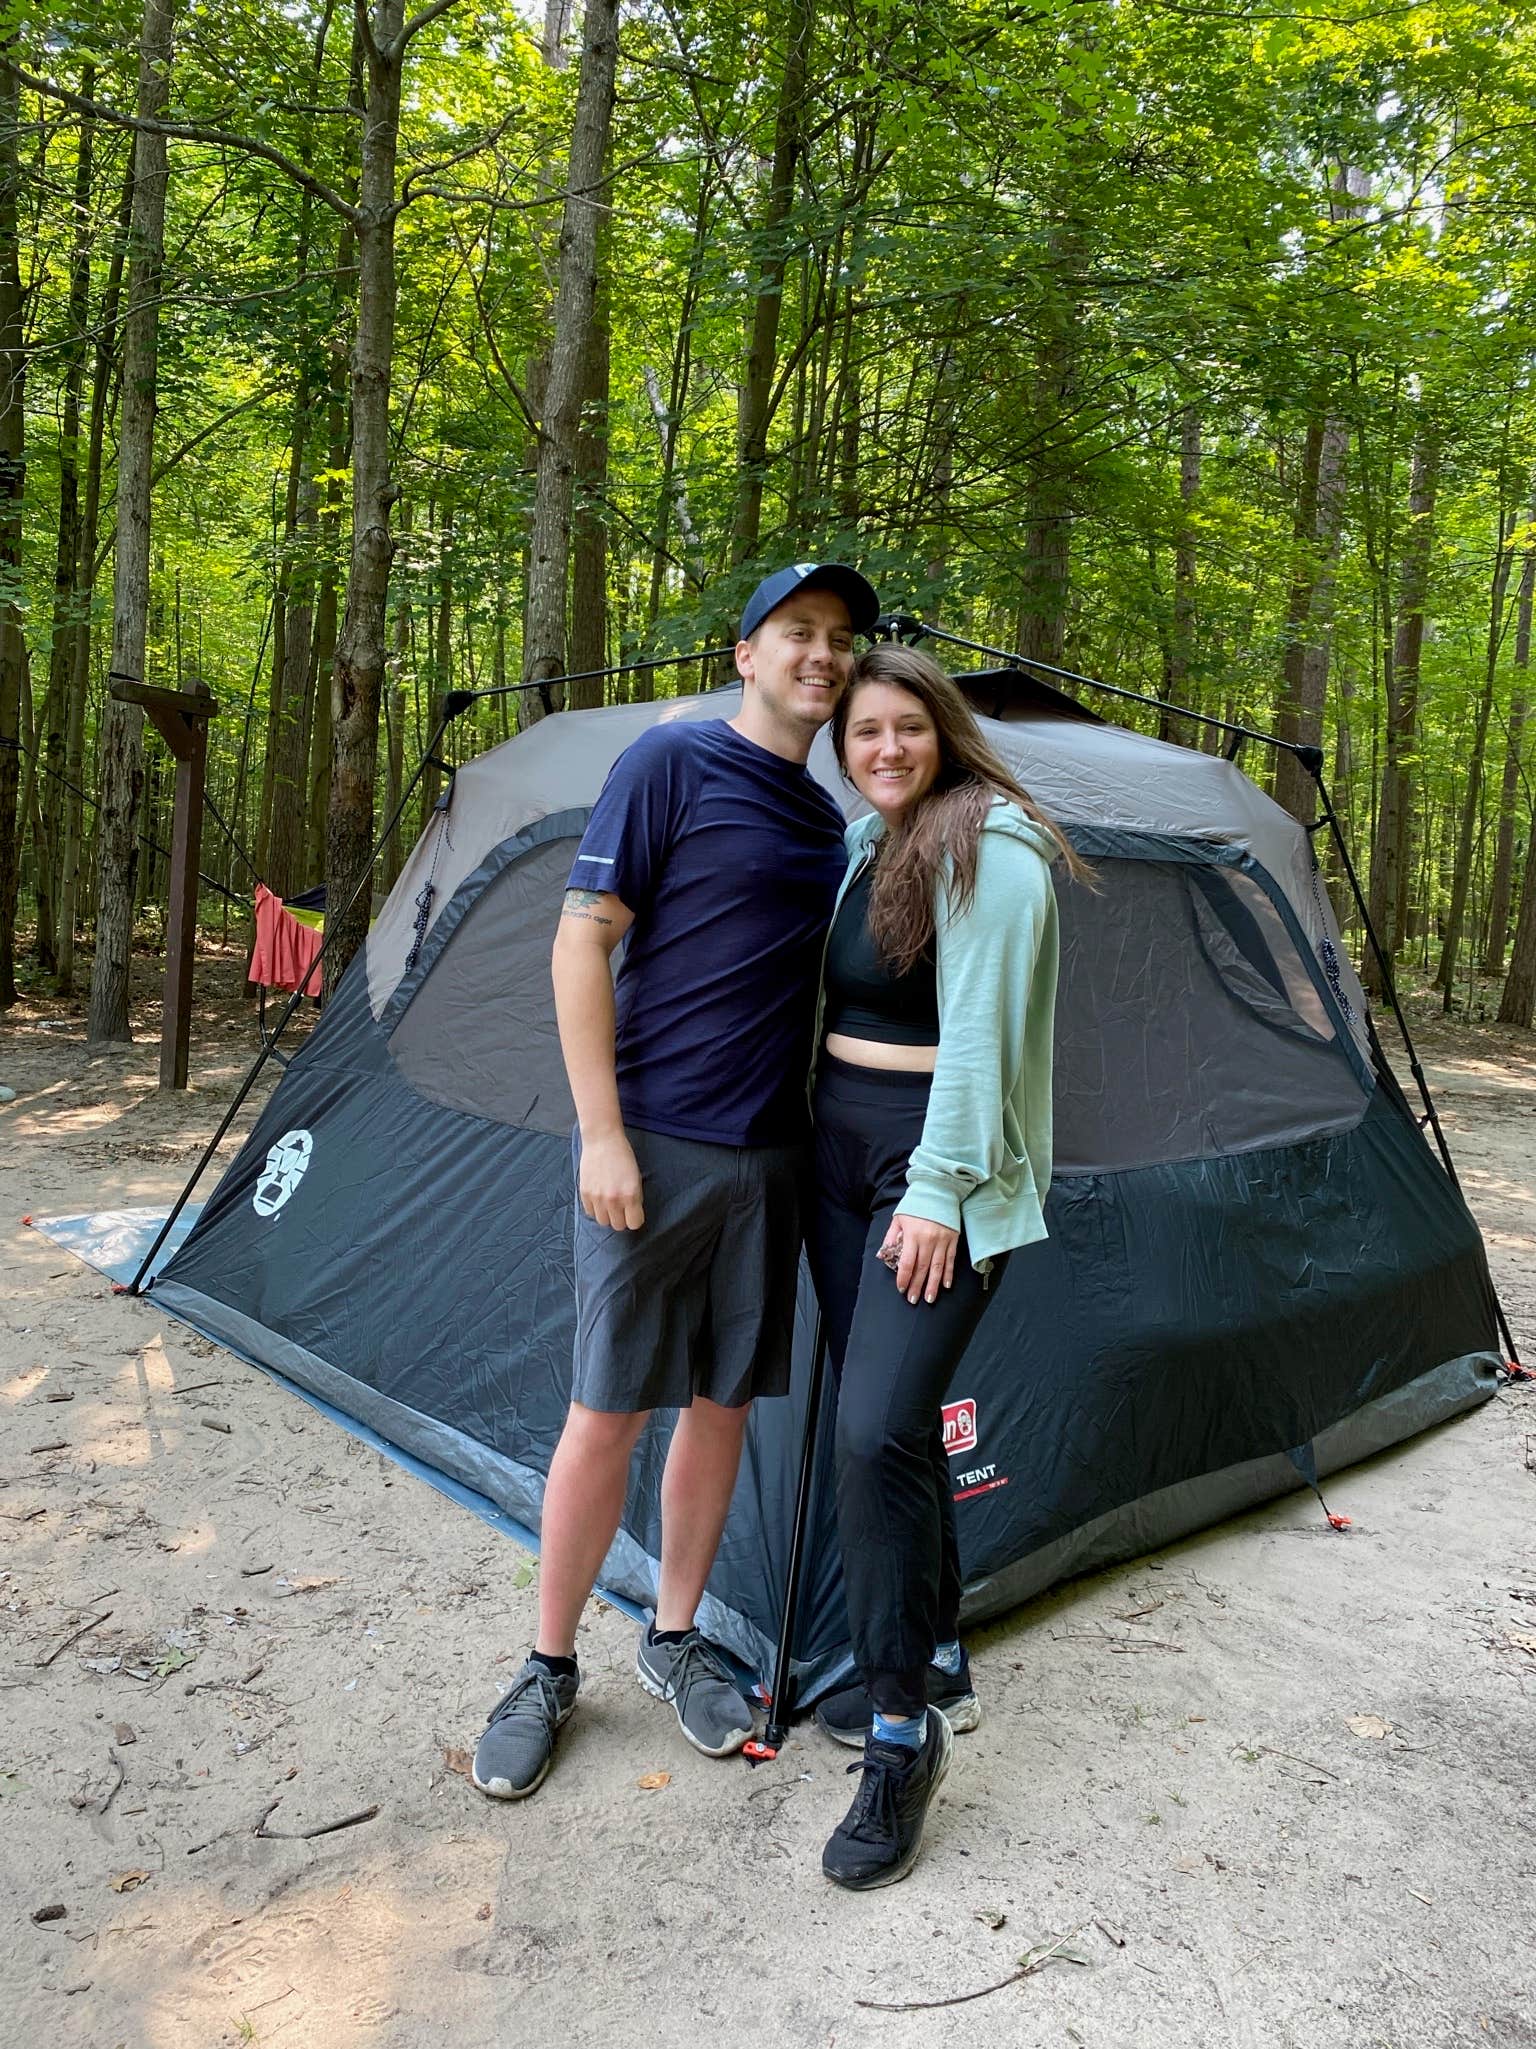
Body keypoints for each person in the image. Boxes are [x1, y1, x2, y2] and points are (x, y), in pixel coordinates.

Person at [471, 560, 881, 1800]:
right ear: (746, 652)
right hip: (651, 1144)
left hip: (772, 1157)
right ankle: (548, 1665)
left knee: (722, 1408)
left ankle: (673, 1634)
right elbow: (580, 938)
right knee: (608, 1409)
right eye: (798, 633)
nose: (824, 655)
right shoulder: (666, 766)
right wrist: (601, 1132)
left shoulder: (832, 818)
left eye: (843, 641)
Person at [805, 643, 1083, 1889]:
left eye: (907, 728)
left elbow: (976, 1036)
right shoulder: (873, 843)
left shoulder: (993, 841)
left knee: (872, 1433)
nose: (886, 750)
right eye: (864, 731)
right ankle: (937, 1650)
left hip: (938, 1176)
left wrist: (936, 1193)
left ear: (946, 732)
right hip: (835, 1158)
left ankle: (899, 1740)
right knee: (899, 1434)